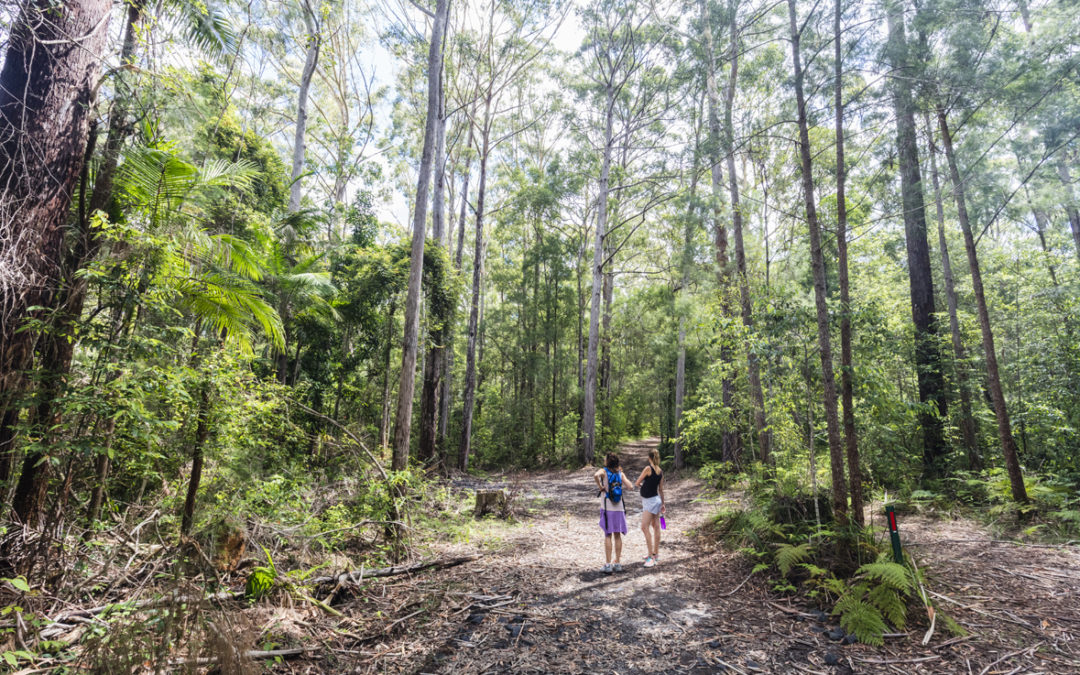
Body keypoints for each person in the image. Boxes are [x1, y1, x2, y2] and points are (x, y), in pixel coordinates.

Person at [593, 453, 630, 574]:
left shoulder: (603, 471)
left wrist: (601, 487)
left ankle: (608, 565)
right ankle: (618, 563)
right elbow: (630, 486)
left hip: (607, 506)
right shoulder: (620, 472)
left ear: (607, 461)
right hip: (619, 507)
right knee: (617, 535)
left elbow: (595, 475)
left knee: (608, 535)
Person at [634, 448, 666, 568]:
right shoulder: (660, 471)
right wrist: (663, 503)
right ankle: (655, 554)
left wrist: (642, 485)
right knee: (655, 526)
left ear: (649, 458)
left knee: (644, 527)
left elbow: (637, 482)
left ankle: (650, 556)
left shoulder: (648, 469)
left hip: (650, 502)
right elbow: (661, 489)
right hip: (656, 500)